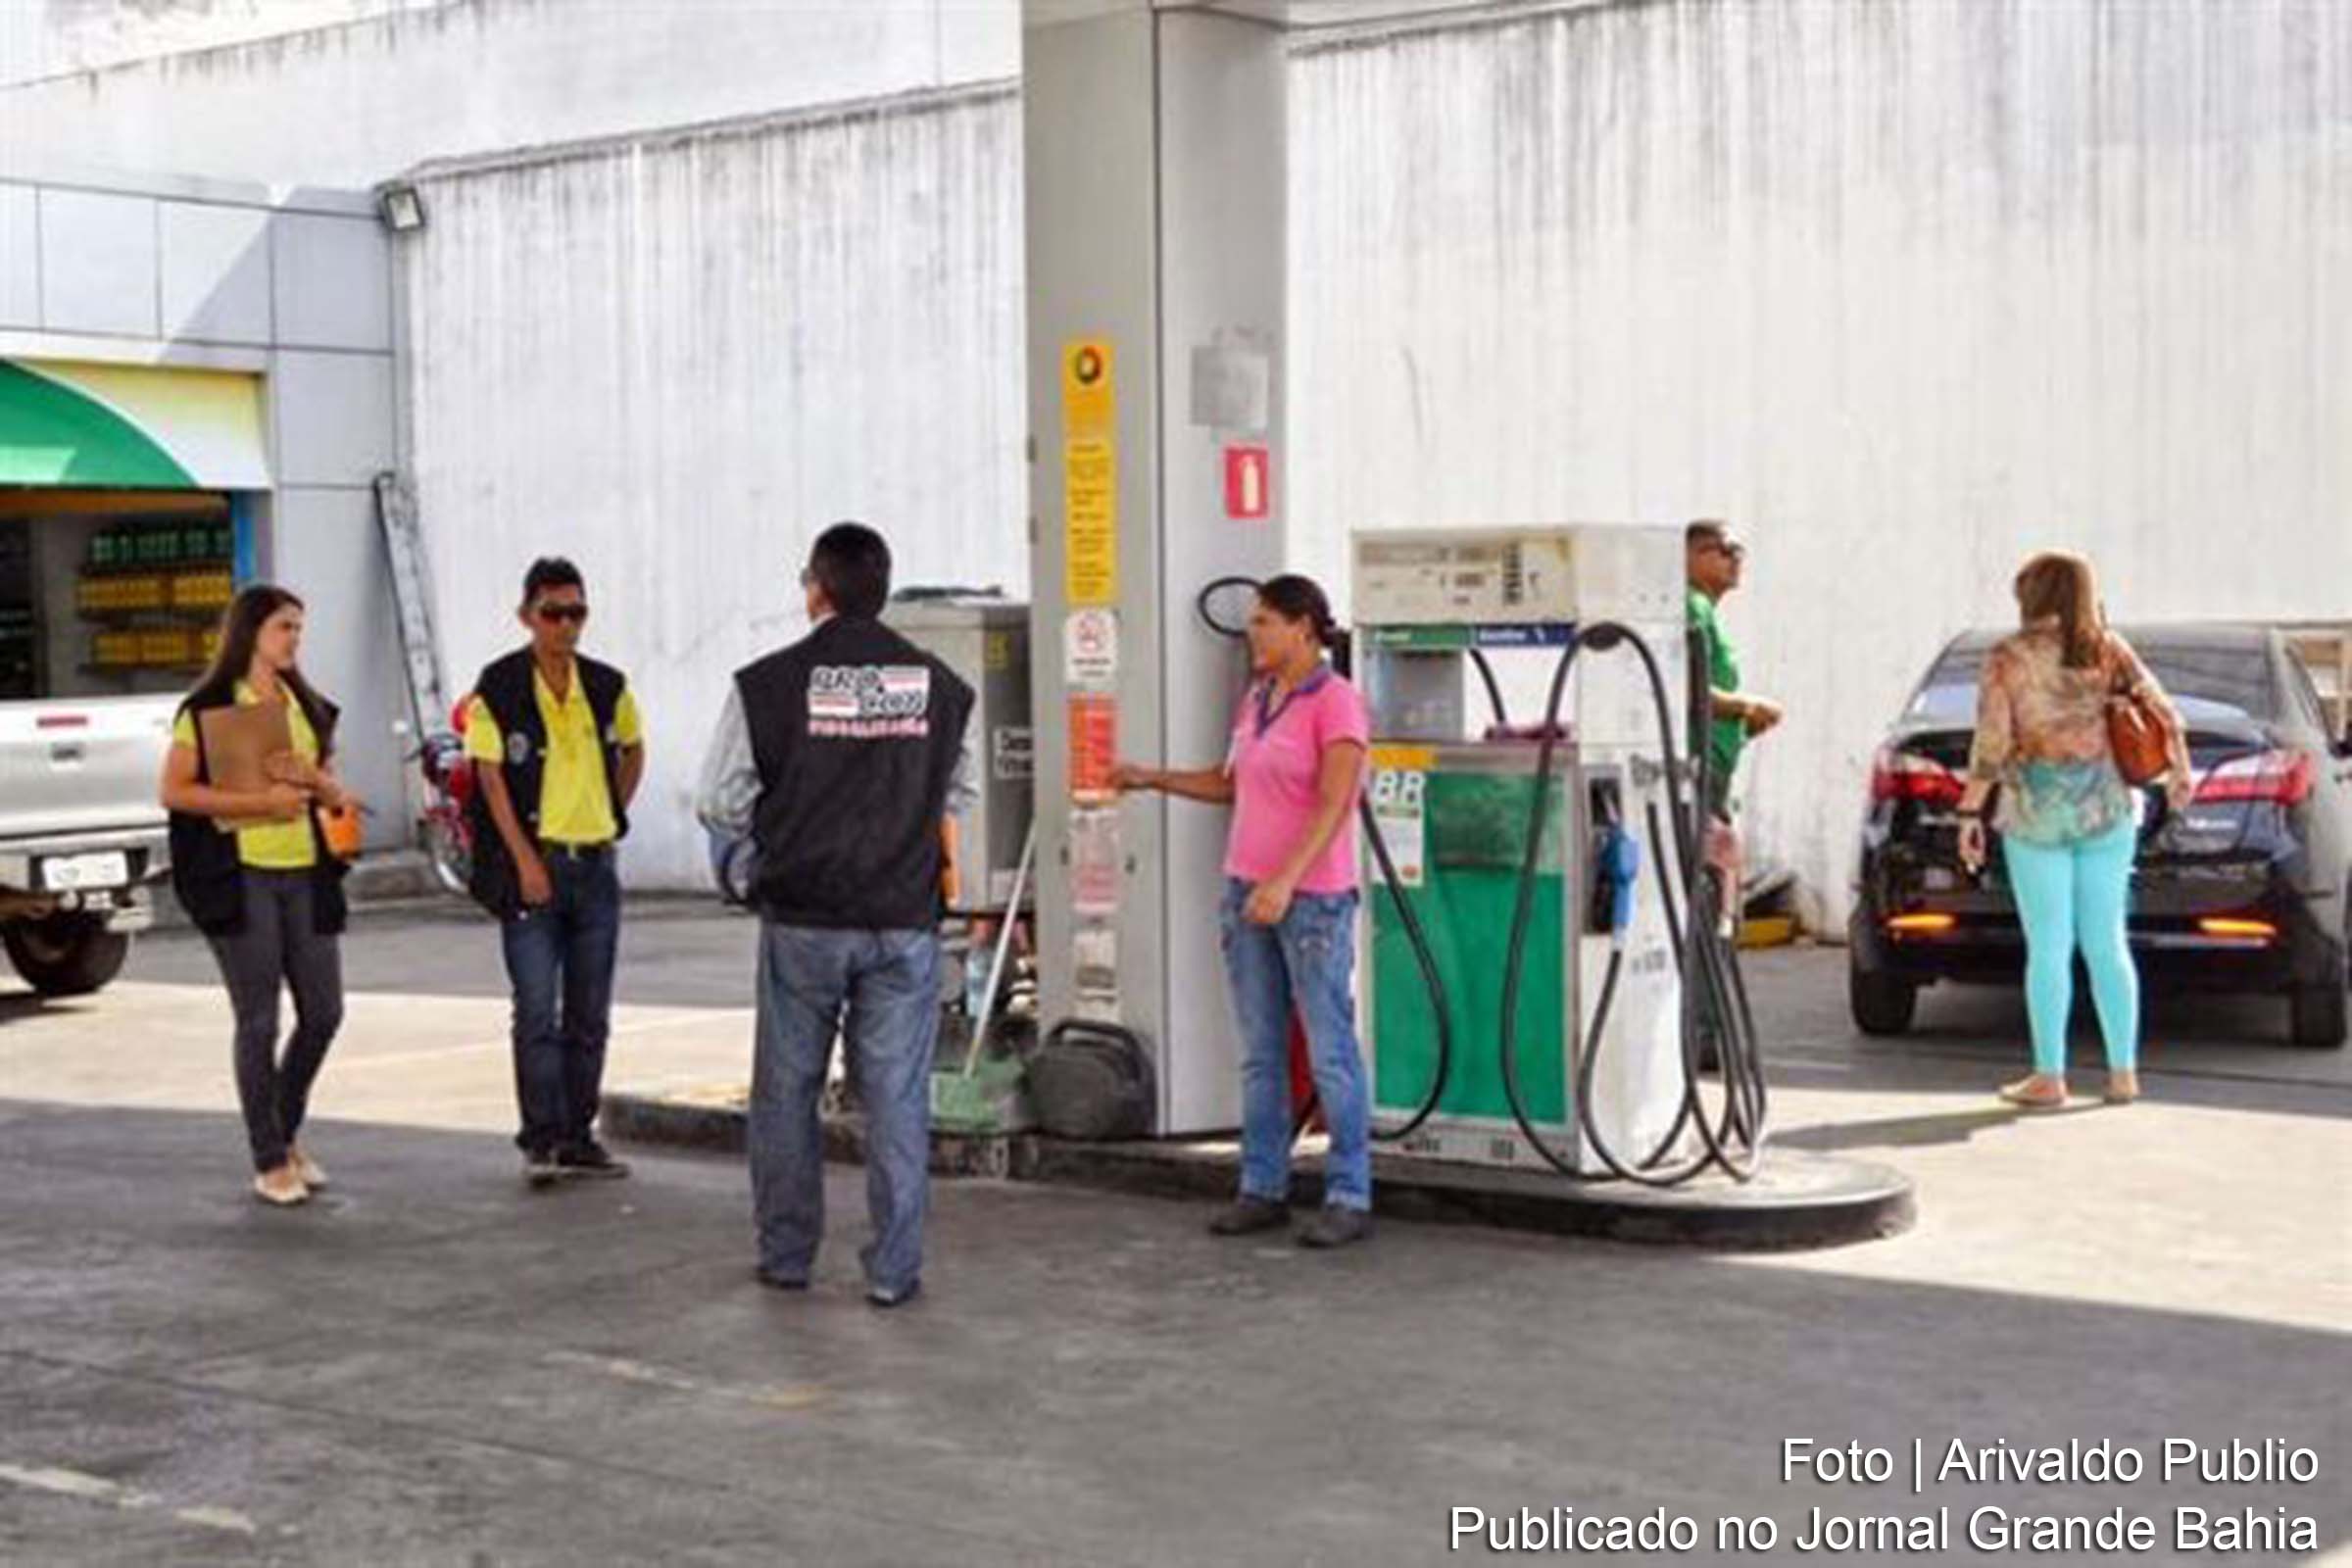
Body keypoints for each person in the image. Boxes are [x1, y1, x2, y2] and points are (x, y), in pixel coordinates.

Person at [696, 522, 975, 1308]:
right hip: (902, 920)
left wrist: (756, 858)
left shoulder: (766, 683)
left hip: (803, 919)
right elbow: (961, 794)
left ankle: (787, 1257)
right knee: (896, 1098)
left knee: (787, 1093)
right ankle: (893, 1270)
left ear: (814, 589)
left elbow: (720, 800)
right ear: (882, 591)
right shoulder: (942, 687)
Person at [1111, 575, 1375, 1250]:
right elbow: (1231, 784)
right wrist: (1151, 777)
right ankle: (1263, 1185)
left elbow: (1335, 803)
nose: (1252, 633)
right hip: (1246, 891)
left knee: (1330, 1049)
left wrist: (1286, 880)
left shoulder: (1337, 704)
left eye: (1264, 622)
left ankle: (1349, 1191)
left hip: (1310, 900)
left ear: (1304, 628)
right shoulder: (1258, 699)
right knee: (1259, 1051)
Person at [1956, 551, 2190, 1108]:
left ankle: (2050, 1076)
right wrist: (2179, 771)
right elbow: (2167, 712)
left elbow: (1991, 744)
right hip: (2106, 808)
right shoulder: (2108, 647)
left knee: (2049, 947)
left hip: (2037, 812)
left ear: (2031, 596)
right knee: (2108, 941)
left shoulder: (2007, 658)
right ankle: (2123, 1074)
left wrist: (1970, 813)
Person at [160, 585, 355, 1206]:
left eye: (300, 627)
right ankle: (269, 1157)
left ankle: (283, 1127)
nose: (295, 639)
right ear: (250, 633)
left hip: (306, 871)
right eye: (284, 627)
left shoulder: (307, 704)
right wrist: (258, 804)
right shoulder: (209, 706)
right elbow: (175, 791)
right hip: (241, 877)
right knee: (259, 1018)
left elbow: (333, 792)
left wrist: (318, 782)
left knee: (324, 1011)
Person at [463, 558, 646, 1186]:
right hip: (535, 866)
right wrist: (524, 861)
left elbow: (633, 745)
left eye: (577, 613)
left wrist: (612, 809)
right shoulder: (501, 687)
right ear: (527, 616)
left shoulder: (605, 684)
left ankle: (578, 1134)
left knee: (589, 1012)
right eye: (553, 613)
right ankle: (540, 1134)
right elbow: (490, 779)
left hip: (594, 865)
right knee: (537, 1009)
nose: (566, 626)